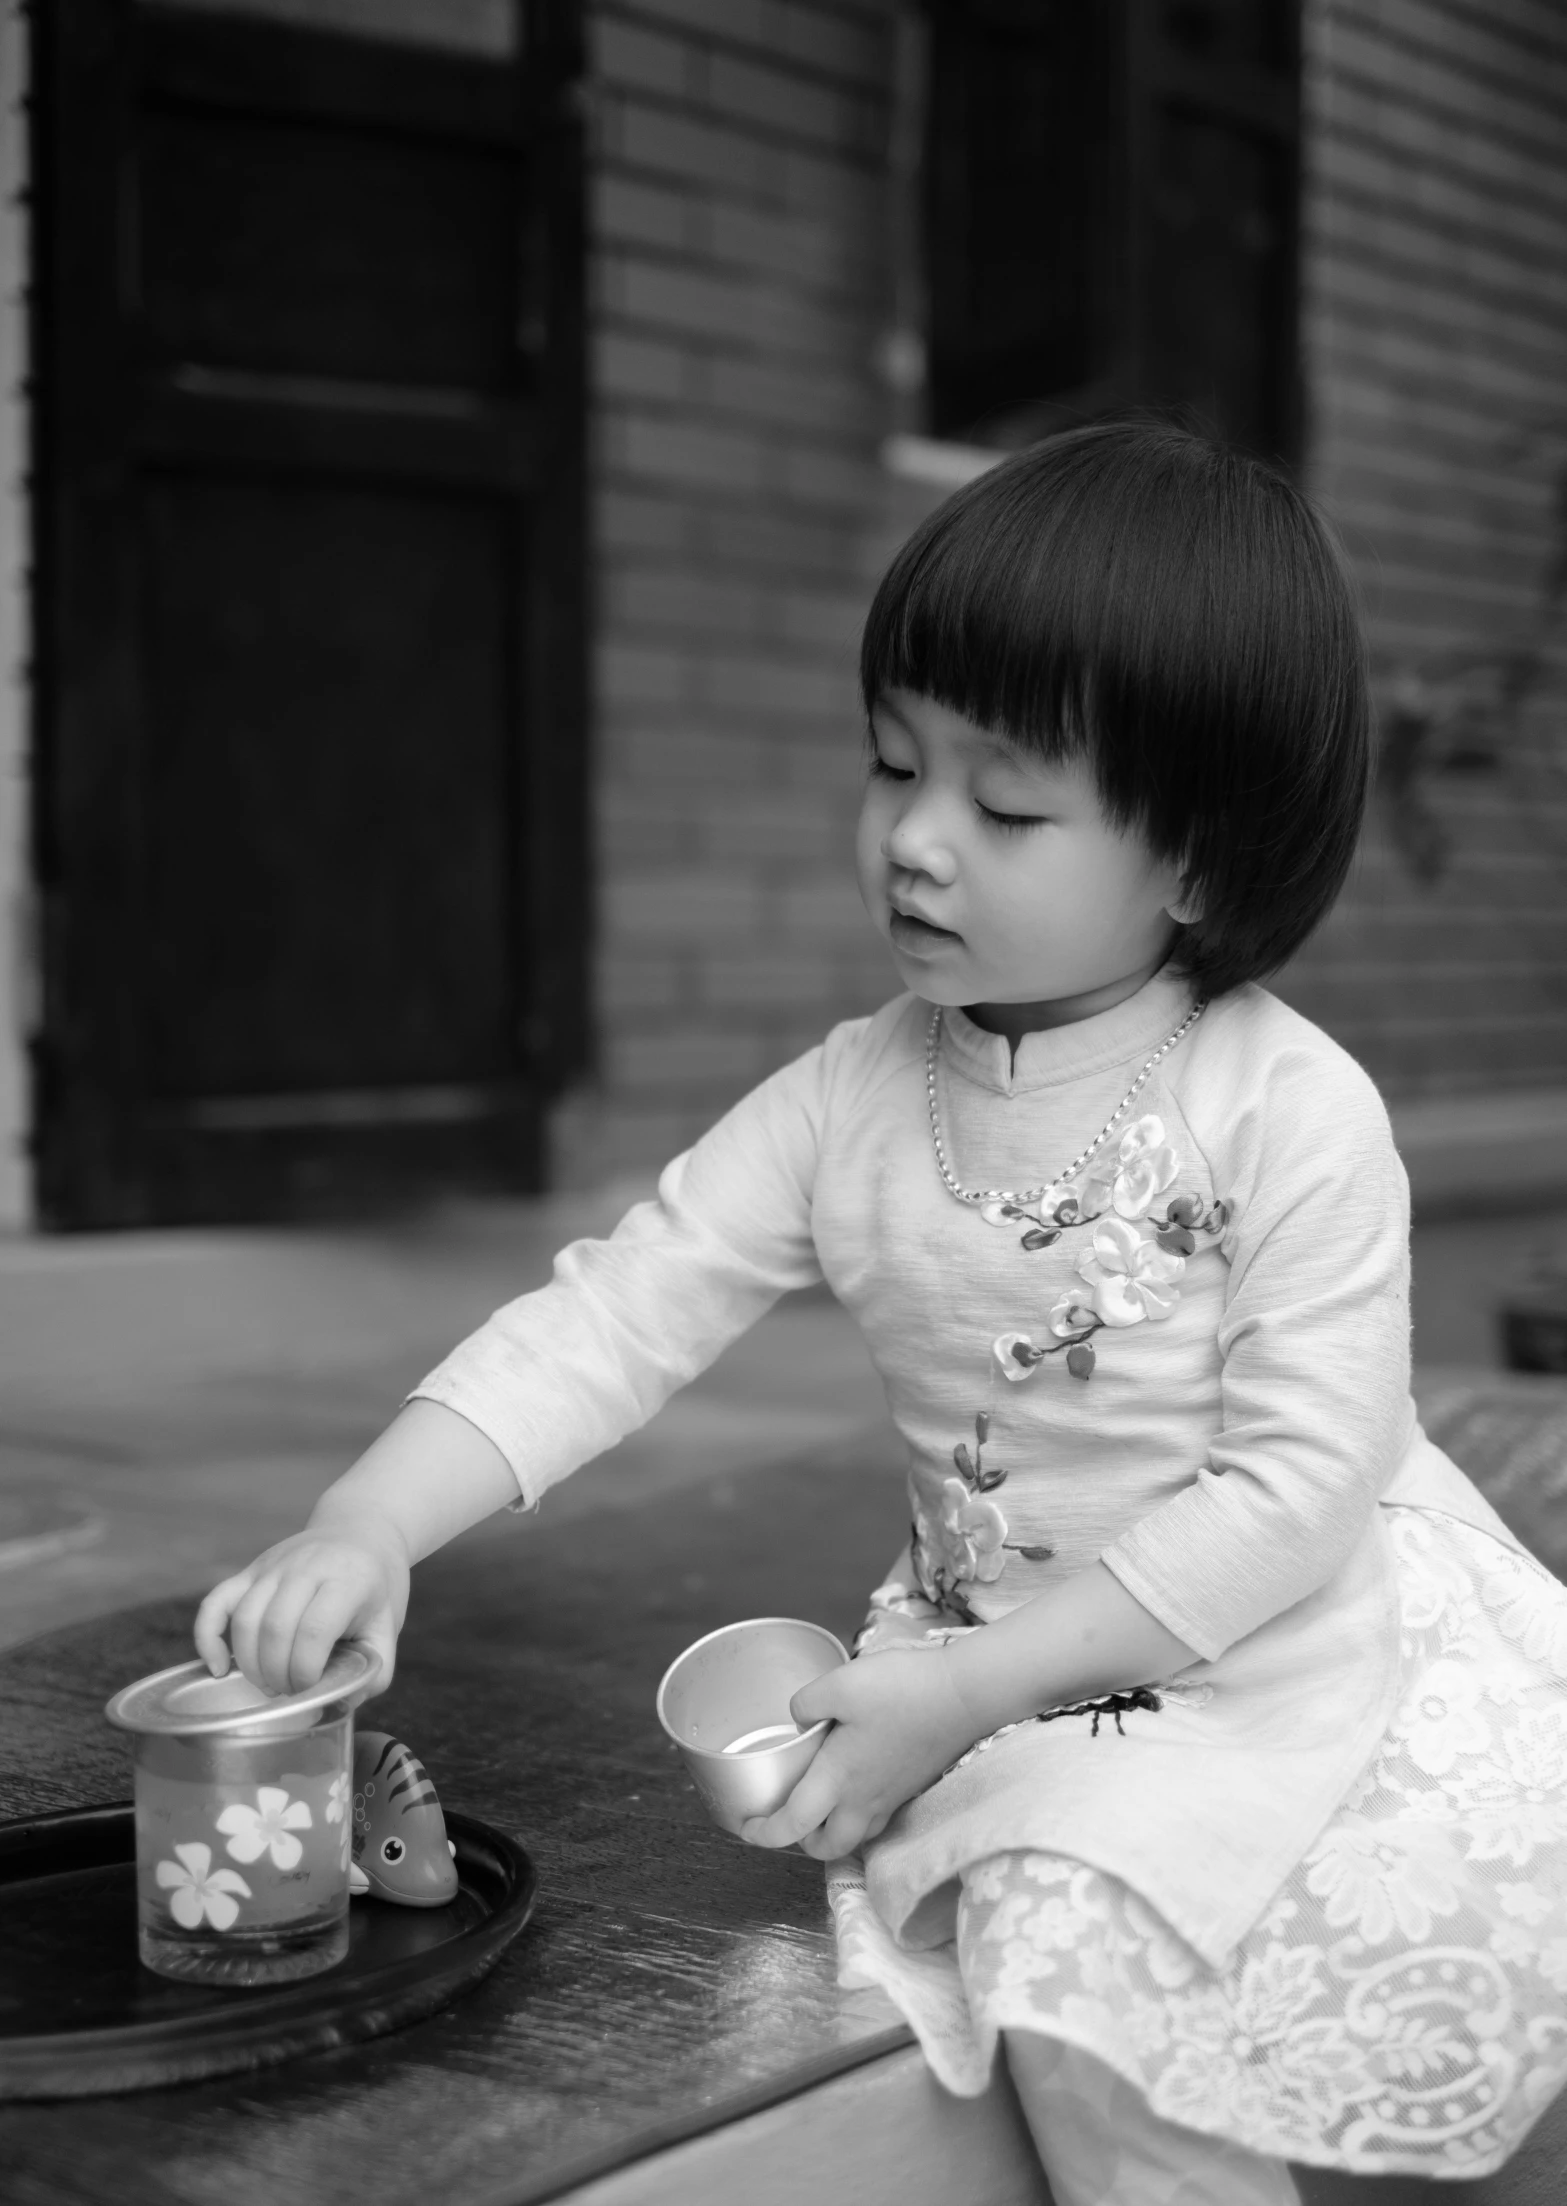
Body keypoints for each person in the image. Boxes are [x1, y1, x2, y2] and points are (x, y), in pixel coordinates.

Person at [197, 424, 1567, 2204]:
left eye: (1002, 805)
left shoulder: (1284, 1109)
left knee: (1084, 1959)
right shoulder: (855, 1095)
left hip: (1278, 1649)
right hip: (990, 1654)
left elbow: (1295, 1497)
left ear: (1200, 867)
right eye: (890, 764)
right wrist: (370, 1518)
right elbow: (617, 1309)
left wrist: (968, 1691)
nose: (914, 839)